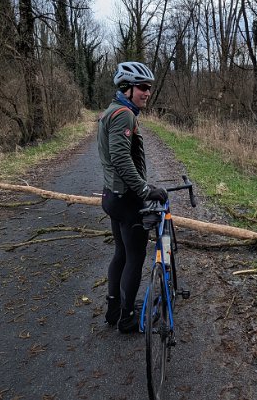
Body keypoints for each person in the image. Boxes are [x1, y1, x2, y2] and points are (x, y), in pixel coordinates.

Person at [97, 61, 168, 333]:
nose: (147, 92)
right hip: (127, 200)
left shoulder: (112, 111)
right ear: (126, 88)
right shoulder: (124, 115)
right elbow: (120, 158)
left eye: (149, 88)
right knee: (135, 258)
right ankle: (127, 318)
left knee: (121, 254)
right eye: (142, 87)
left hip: (112, 197)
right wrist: (144, 190)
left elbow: (116, 159)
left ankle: (114, 310)